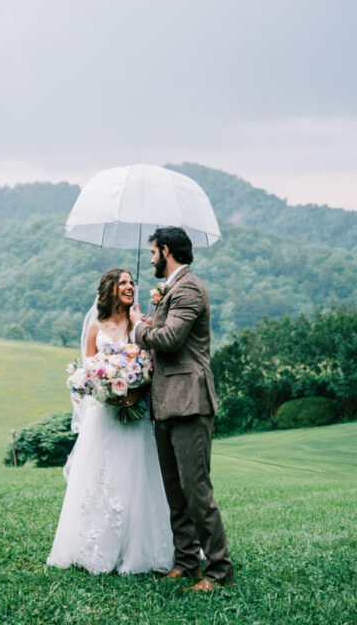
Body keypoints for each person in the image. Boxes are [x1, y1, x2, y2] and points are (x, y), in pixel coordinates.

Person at [46, 268, 174, 575]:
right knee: (102, 477)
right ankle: (94, 549)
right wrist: (108, 392)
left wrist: (135, 391)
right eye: (123, 283)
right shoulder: (96, 327)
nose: (130, 287)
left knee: (136, 476)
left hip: (136, 414)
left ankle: (138, 550)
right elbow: (88, 374)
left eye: (132, 283)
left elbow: (152, 369)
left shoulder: (140, 325)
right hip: (104, 416)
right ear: (110, 290)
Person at [130, 226, 234, 593]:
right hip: (165, 404)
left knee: (196, 490)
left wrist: (135, 330)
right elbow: (163, 329)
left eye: (154, 251)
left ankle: (219, 571)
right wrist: (146, 321)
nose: (152, 257)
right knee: (175, 491)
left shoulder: (189, 288)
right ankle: (186, 562)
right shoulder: (171, 289)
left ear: (167, 250)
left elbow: (170, 340)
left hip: (190, 402)